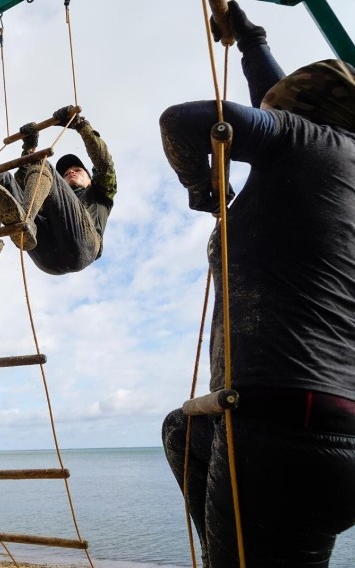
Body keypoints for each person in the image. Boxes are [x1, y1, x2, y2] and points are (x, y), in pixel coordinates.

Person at [159, 2, 355, 566]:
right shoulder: (329, 154)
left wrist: (207, 190)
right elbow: (285, 102)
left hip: (279, 432)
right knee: (184, 431)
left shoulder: (304, 142)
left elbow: (185, 120)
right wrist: (249, 39)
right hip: (326, 437)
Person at [0, 111, 117, 275]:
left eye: (78, 170)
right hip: (46, 257)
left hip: (82, 246)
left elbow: (104, 164)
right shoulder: (48, 193)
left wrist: (80, 125)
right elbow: (20, 190)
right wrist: (29, 149)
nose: (71, 172)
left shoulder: (99, 192)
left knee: (42, 165)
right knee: (2, 177)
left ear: (90, 179)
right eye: (65, 173)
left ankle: (25, 221)